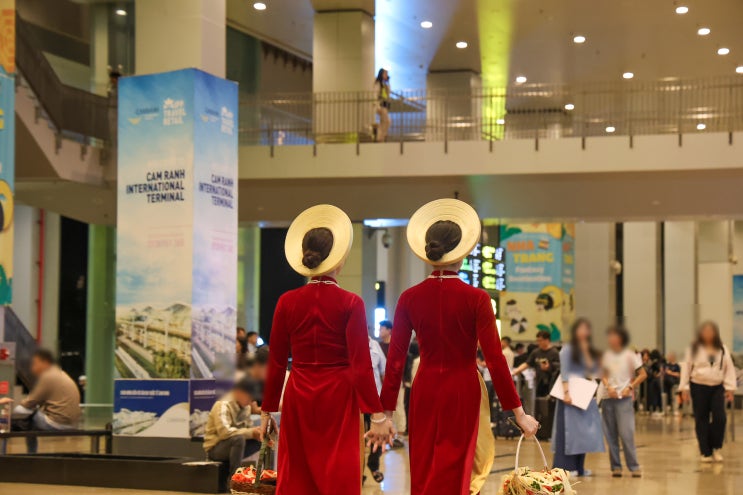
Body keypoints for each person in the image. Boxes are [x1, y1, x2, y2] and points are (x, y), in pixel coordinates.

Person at [380, 199, 538, 495]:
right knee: (457, 469)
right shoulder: (477, 299)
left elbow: (395, 361)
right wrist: (519, 414)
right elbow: (495, 359)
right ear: (462, 252)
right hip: (463, 388)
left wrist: (385, 414)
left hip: (425, 387)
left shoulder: (409, 298)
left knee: (424, 466)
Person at [260, 205, 392, 495]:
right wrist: (377, 414)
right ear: (338, 258)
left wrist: (267, 409)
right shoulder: (351, 303)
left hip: (298, 393)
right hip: (338, 396)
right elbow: (360, 365)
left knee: (297, 471)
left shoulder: (286, 302)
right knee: (337, 469)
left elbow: (277, 361)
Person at [0, 349, 81, 454]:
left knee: (16, 415)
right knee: (27, 422)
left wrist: (13, 414)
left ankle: (6, 453)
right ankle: (31, 454)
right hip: (72, 423)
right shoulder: (60, 374)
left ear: (45, 362)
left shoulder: (48, 376)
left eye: (35, 363)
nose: (33, 367)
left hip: (57, 423)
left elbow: (29, 402)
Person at [552, 318, 605, 477]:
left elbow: (593, 369)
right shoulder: (568, 348)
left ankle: (579, 467)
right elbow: (565, 371)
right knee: (568, 432)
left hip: (584, 394)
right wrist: (566, 392)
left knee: (583, 433)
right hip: (570, 395)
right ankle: (565, 467)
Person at [680, 321, 737, 463]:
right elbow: (686, 368)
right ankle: (705, 451)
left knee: (720, 418)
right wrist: (684, 388)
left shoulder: (722, 348)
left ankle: (716, 447)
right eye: (705, 331)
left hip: (717, 387)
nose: (708, 334)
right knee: (701, 419)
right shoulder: (693, 349)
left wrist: (730, 388)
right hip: (698, 386)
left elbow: (728, 368)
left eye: (711, 331)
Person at [599, 325, 647, 477]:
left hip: (624, 398)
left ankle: (634, 466)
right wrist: (608, 386)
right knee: (611, 435)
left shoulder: (630, 355)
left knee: (627, 433)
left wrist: (630, 387)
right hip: (608, 398)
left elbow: (642, 374)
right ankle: (616, 466)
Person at [204, 377, 262, 480]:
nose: (251, 401)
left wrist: (257, 432)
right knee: (238, 439)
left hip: (236, 445)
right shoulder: (222, 404)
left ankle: (260, 477)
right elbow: (224, 433)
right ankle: (234, 478)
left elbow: (248, 428)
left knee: (261, 438)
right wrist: (251, 432)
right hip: (215, 447)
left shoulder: (246, 407)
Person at [377, 319, 406, 444]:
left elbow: (401, 364)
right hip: (382, 382)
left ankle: (399, 436)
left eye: (381, 329)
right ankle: (388, 436)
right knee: (384, 410)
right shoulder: (378, 345)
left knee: (398, 408)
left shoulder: (396, 344)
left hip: (397, 381)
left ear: (389, 330)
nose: (379, 331)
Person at [365, 336, 387, 484]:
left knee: (378, 435)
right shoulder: (346, 342)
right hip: (354, 399)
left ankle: (373, 465)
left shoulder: (374, 346)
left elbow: (384, 371)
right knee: (355, 438)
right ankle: (357, 472)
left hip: (375, 398)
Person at [512, 330, 561, 397]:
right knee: (538, 400)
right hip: (539, 382)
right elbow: (527, 363)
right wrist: (516, 371)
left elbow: (559, 368)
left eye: (540, 340)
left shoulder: (554, 352)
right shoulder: (536, 352)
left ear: (547, 340)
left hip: (551, 382)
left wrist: (549, 367)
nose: (538, 343)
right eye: (537, 340)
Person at [374, 68, 391, 142]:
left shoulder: (385, 84)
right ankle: (380, 137)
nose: (386, 75)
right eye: (385, 74)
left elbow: (388, 93)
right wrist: (377, 106)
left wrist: (388, 82)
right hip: (380, 105)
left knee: (385, 121)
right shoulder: (378, 83)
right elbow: (375, 94)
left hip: (384, 105)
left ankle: (381, 136)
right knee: (386, 121)